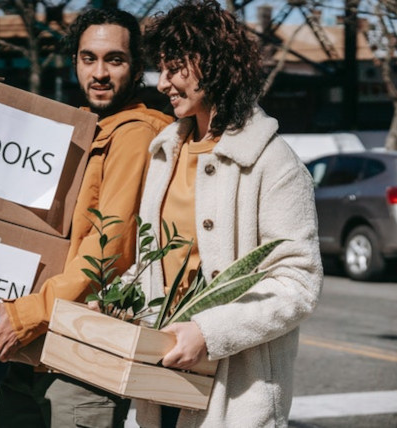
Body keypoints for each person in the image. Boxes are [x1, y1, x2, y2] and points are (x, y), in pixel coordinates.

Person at [122, 1, 323, 426]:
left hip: (236, 395)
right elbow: (151, 263)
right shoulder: (163, 153)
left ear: (210, 64)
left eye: (175, 68)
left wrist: (209, 334)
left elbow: (298, 282)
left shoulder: (273, 162)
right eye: (162, 69)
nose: (163, 84)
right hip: (159, 378)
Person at [0, 7, 174, 428]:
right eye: (89, 58)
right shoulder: (85, 127)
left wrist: (27, 314)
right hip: (36, 346)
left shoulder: (136, 133)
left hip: (81, 354)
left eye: (114, 60)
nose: (99, 73)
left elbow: (109, 252)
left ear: (137, 66)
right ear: (75, 62)